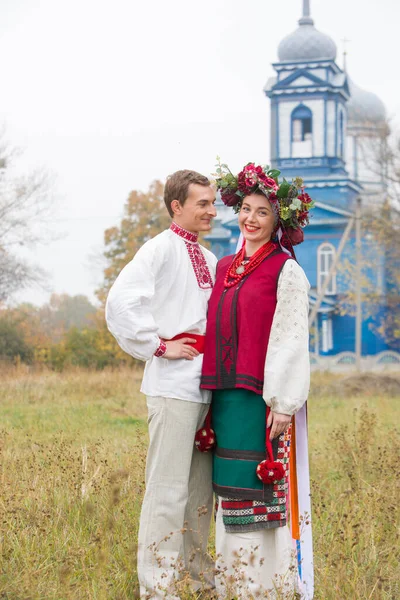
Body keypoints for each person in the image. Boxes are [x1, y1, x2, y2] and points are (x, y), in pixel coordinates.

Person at [201, 162, 314, 599]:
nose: (250, 218)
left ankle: (267, 587)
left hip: (263, 399)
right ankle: (233, 583)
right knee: (229, 493)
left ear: (277, 221)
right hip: (225, 398)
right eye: (245, 209)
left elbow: (290, 337)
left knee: (262, 495)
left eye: (262, 212)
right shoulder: (225, 266)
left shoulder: (285, 270)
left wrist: (284, 402)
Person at [106, 170, 218, 599]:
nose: (211, 210)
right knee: (167, 491)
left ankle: (199, 581)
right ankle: (157, 588)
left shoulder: (207, 259)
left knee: (199, 496)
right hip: (173, 387)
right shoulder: (158, 250)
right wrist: (158, 345)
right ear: (177, 207)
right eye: (202, 203)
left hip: (206, 386)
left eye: (212, 202)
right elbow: (120, 302)